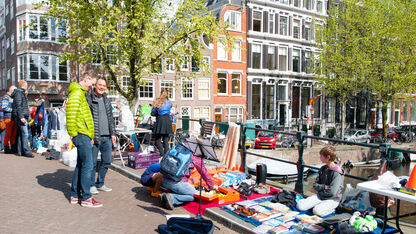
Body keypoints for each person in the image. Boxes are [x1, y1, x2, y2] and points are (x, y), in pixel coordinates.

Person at [67, 74, 103, 208]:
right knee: (88, 165)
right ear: (86, 79)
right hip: (81, 134)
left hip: (84, 134)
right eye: (92, 84)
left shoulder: (80, 93)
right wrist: (74, 135)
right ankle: (87, 197)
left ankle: (75, 195)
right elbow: (71, 115)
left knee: (81, 165)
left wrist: (90, 135)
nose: (92, 87)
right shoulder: (77, 93)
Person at [86, 77, 116, 195]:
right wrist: (91, 135)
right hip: (95, 136)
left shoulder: (107, 100)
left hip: (107, 137)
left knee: (107, 161)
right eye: (100, 85)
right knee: (92, 163)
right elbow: (88, 119)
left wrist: (113, 133)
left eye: (104, 85)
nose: (102, 87)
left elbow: (111, 118)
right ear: (95, 86)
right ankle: (91, 185)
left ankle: (100, 183)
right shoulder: (89, 99)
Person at [296, 146, 344, 217]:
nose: (320, 158)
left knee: (316, 211)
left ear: (328, 157)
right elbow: (315, 185)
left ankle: (332, 209)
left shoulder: (337, 173)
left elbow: (332, 192)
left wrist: (321, 190)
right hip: (321, 195)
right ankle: (319, 205)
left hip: (332, 199)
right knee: (300, 206)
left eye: (321, 156)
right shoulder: (323, 168)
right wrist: (325, 187)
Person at [12, 81, 32, 158]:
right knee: (25, 134)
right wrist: (21, 117)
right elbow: (18, 106)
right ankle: (27, 151)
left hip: (22, 116)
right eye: (27, 85)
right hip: (21, 117)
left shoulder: (21, 93)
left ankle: (21, 151)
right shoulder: (19, 93)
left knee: (21, 134)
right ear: (24, 85)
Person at [152, 89, 173, 156]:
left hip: (160, 120)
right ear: (167, 94)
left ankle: (162, 153)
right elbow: (169, 109)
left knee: (157, 139)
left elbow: (152, 112)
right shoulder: (169, 102)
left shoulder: (158, 101)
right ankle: (166, 154)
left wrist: (156, 114)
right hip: (167, 120)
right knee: (166, 139)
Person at [2, 85, 17, 154]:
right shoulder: (6, 97)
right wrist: (13, 110)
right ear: (12, 91)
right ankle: (6, 148)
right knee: (7, 134)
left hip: (13, 118)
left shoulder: (13, 98)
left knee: (13, 134)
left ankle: (13, 148)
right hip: (8, 118)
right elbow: (4, 107)